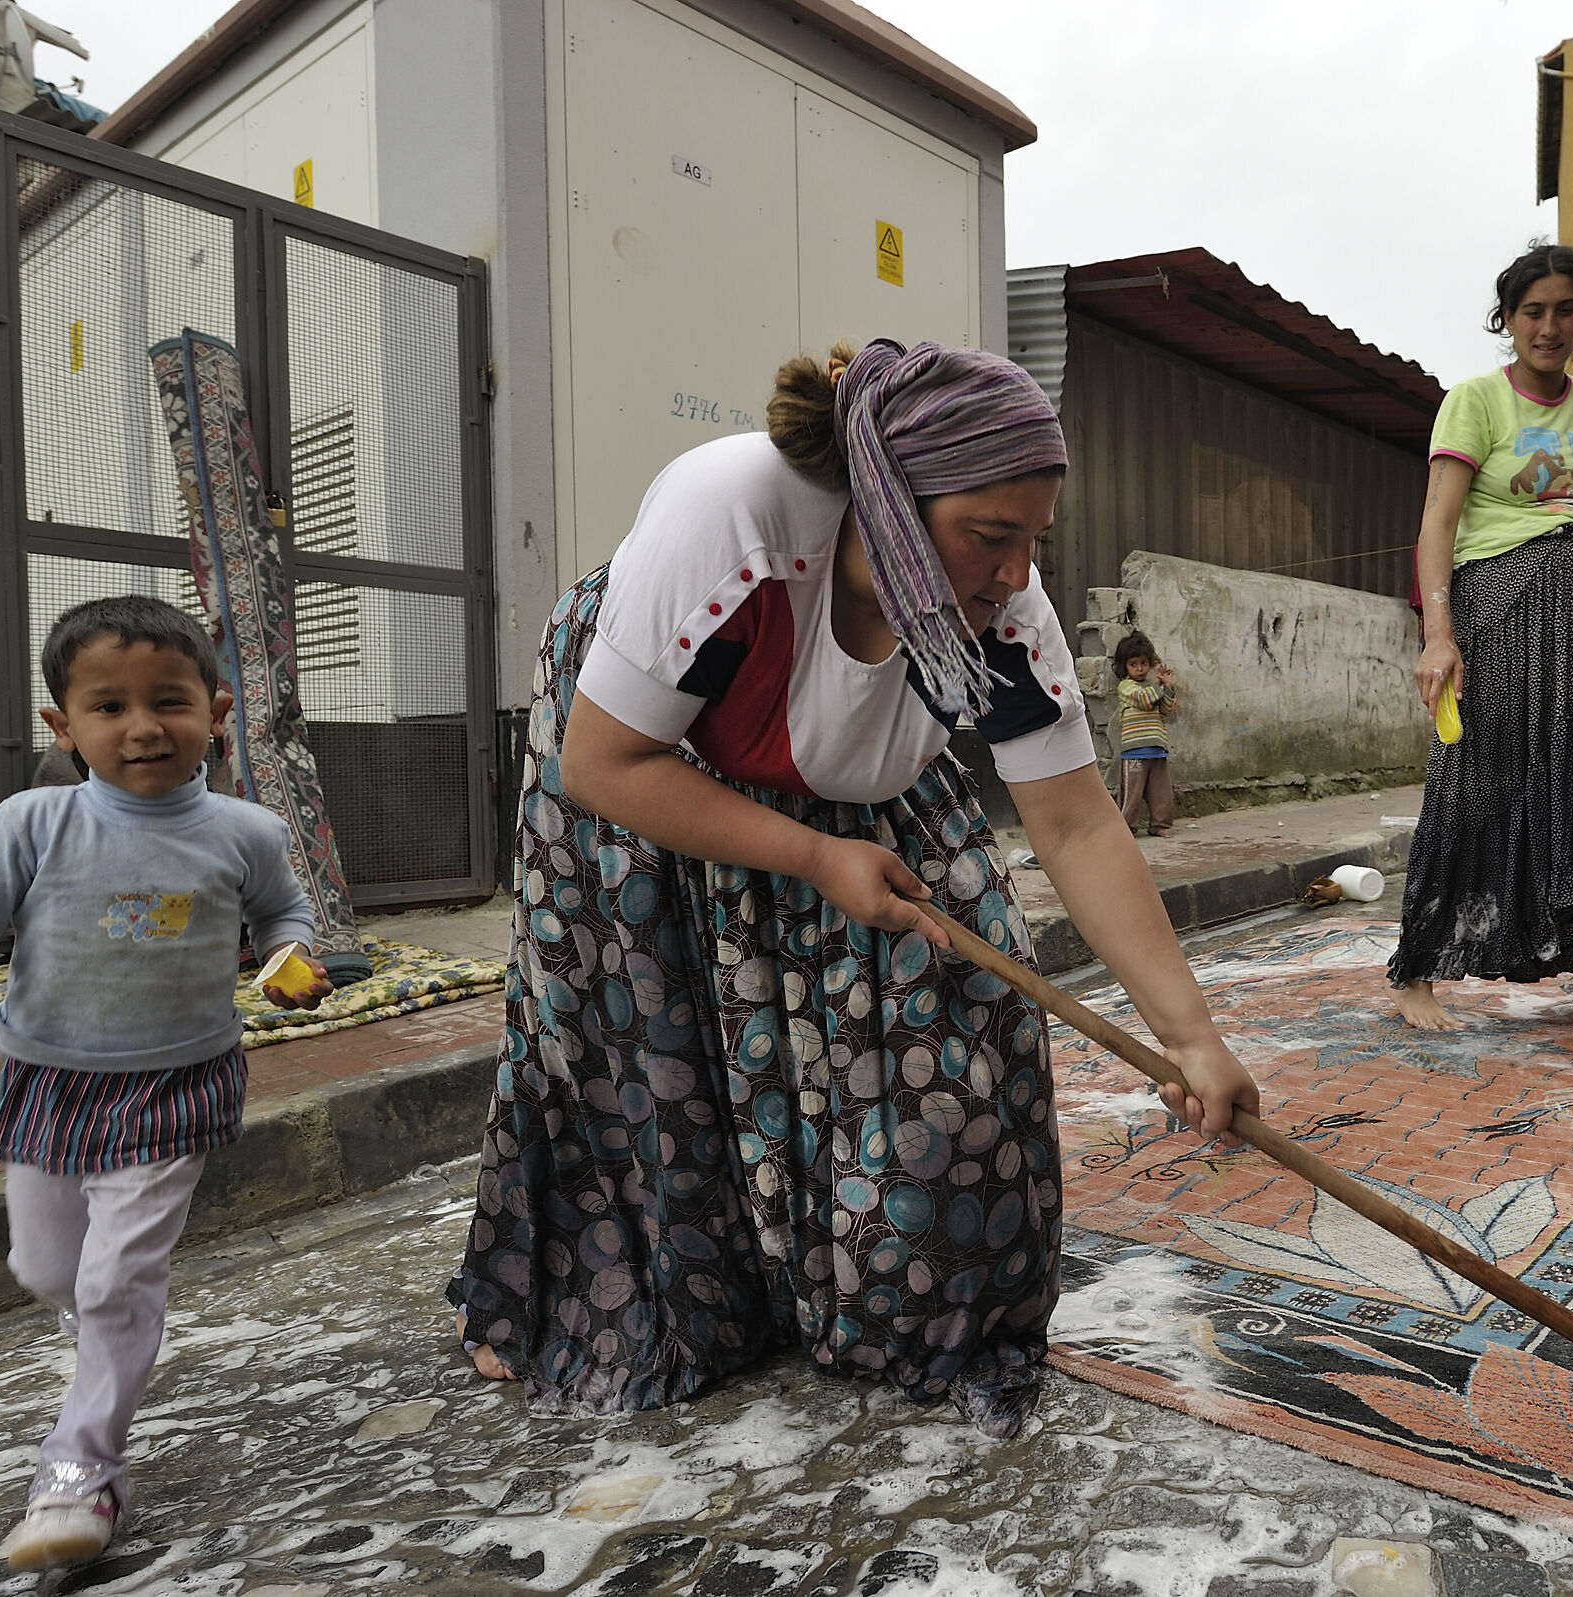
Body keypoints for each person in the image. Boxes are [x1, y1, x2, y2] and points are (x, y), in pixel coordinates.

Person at [448, 339, 1258, 1438]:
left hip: (866, 774)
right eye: (989, 535)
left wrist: (1192, 1034)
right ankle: (690, 1292)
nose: (1019, 574)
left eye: (1035, 540)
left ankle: (894, 1304)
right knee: (660, 1052)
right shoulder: (732, 518)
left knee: (974, 1032)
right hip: (655, 760)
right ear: (883, 498)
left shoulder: (1001, 612)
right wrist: (816, 857)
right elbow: (603, 764)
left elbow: (1072, 818)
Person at [0, 596, 330, 1573]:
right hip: (47, 1086)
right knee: (50, 1273)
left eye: (168, 700)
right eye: (108, 705)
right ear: (63, 724)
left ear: (214, 710)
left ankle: (80, 1471)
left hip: (176, 1087)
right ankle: (106, 1331)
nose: (141, 726)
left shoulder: (244, 831)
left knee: (116, 1276)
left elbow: (286, 910)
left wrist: (293, 955)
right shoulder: (32, 822)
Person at [1390, 243, 1573, 1035]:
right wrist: (1438, 635)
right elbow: (1437, 525)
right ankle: (1417, 970)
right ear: (1508, 320)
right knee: (1476, 781)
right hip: (1505, 609)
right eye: (1532, 312)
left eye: (1564, 310)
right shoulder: (1475, 400)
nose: (1548, 327)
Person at [1112, 630, 1179, 837]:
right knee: (1132, 793)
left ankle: (1160, 825)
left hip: (1157, 748)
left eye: (1143, 663)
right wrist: (1159, 686)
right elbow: (1144, 699)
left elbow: (1167, 709)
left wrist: (1168, 688)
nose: (1139, 669)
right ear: (1124, 667)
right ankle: (1126, 827)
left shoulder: (1153, 687)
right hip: (1134, 750)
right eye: (1133, 664)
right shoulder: (1126, 687)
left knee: (1161, 792)